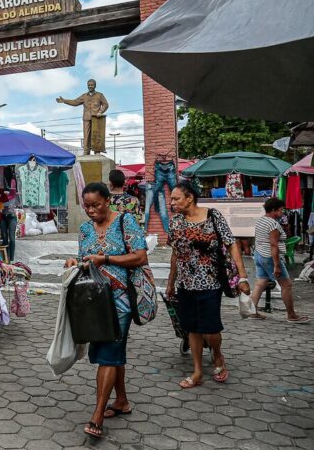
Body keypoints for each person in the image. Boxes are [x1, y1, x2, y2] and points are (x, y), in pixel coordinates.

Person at [64, 182, 148, 439]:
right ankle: (121, 401)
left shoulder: (126, 221)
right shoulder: (85, 229)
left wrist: (107, 259)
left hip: (121, 299)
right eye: (86, 206)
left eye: (95, 205)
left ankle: (98, 414)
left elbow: (140, 256)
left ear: (107, 201)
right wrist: (74, 262)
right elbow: (85, 260)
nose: (90, 211)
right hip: (95, 301)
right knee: (113, 350)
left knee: (108, 353)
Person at [166, 182, 251, 389]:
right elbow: (175, 253)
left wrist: (243, 276)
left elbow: (232, 244)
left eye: (176, 198)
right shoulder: (176, 222)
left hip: (211, 282)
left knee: (211, 330)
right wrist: (171, 282)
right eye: (172, 199)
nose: (172, 202)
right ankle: (197, 371)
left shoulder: (213, 216)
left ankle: (218, 354)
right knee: (192, 329)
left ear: (190, 198)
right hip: (186, 284)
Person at [249, 198, 309, 322]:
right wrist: (276, 265)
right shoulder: (272, 224)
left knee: (261, 283)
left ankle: (252, 311)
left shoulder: (261, 220)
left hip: (259, 254)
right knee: (286, 285)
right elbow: (274, 245)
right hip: (269, 256)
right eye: (281, 210)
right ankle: (291, 315)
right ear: (273, 210)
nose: (282, 213)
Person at [56, 79, 109, 155]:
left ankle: (97, 151)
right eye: (89, 85)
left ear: (95, 86)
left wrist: (100, 111)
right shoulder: (84, 96)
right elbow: (75, 102)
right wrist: (65, 101)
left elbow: (105, 104)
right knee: (86, 135)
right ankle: (86, 151)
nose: (90, 86)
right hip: (86, 118)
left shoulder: (100, 95)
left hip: (96, 118)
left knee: (96, 135)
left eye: (92, 85)